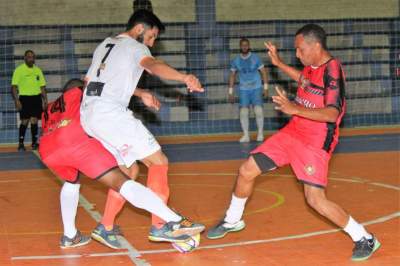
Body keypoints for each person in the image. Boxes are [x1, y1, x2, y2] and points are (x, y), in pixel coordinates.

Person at [207, 24, 380, 261]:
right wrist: (278, 64)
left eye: (300, 49)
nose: (297, 54)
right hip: (294, 131)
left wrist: (293, 108)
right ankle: (233, 219)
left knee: (315, 199)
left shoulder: (333, 69)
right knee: (247, 169)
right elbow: (305, 81)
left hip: (316, 140)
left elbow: (331, 113)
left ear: (316, 46)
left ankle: (364, 237)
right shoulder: (311, 67)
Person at [80, 9, 204, 245]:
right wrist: (184, 77)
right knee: (158, 161)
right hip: (110, 114)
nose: (152, 42)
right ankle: (160, 225)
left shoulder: (106, 44)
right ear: (139, 29)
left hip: (90, 114)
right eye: (152, 36)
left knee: (129, 171)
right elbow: (154, 66)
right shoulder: (137, 47)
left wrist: (139, 92)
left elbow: (90, 82)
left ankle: (105, 226)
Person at [39, 79, 204, 249]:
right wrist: (141, 93)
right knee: (123, 178)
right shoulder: (80, 91)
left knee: (72, 182)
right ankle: (173, 220)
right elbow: (108, 86)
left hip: (47, 148)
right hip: (75, 140)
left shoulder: (52, 105)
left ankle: (70, 235)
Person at [229, 38, 269, 143]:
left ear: (249, 46)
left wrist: (265, 88)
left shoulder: (255, 58)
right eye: (243, 45)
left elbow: (263, 72)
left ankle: (260, 133)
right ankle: (246, 135)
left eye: (246, 45)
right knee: (243, 112)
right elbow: (232, 75)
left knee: (258, 110)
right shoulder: (236, 60)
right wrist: (230, 92)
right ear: (240, 46)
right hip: (243, 89)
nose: (244, 47)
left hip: (256, 88)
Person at [11, 50, 47, 151]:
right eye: (29, 57)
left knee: (34, 120)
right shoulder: (19, 70)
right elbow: (13, 87)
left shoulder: (38, 70)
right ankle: (21, 143)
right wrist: (16, 100)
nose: (31, 59)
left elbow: (42, 87)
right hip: (24, 98)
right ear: (25, 58)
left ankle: (34, 143)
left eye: (32, 57)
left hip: (36, 98)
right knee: (25, 121)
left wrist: (45, 100)